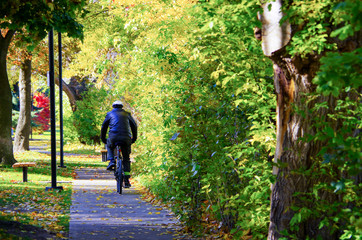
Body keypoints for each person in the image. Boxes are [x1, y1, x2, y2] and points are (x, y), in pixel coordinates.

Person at [101, 100, 137, 188]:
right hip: (126, 138)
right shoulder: (127, 114)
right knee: (126, 158)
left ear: (113, 106)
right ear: (122, 107)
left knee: (109, 145)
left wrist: (103, 139)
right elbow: (134, 126)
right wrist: (134, 138)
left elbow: (104, 127)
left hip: (113, 137)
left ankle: (112, 161)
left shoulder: (109, 114)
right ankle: (127, 180)